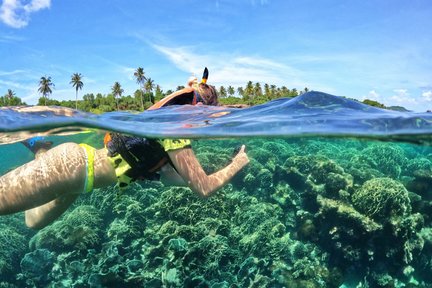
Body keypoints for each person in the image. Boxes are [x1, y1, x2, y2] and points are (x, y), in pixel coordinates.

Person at [0, 75, 249, 229]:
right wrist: (237, 163)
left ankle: (40, 147)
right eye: (208, 116)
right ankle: (41, 148)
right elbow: (203, 188)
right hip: (71, 167)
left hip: (78, 180)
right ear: (199, 108)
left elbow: (170, 178)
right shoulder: (174, 132)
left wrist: (196, 176)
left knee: (33, 222)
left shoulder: (170, 132)